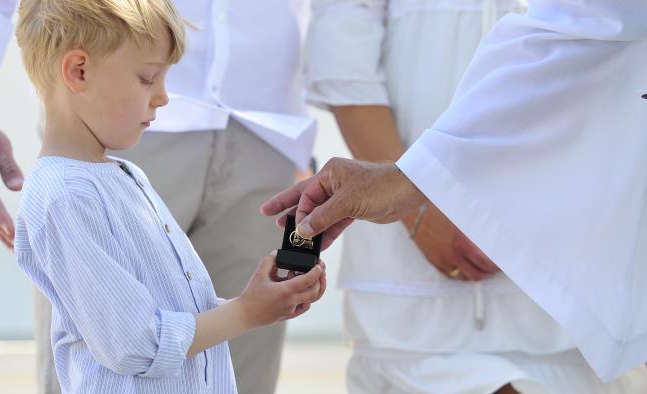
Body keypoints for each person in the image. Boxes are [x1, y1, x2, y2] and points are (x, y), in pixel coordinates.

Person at [263, 0, 647, 385]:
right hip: (411, 282)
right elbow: (343, 51)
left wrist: (428, 186)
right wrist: (419, 208)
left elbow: (596, 34)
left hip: (561, 265)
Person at [0, 1, 314, 392]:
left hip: (265, 127)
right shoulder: (65, 199)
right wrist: (243, 313)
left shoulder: (126, 175)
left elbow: (168, 313)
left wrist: (260, 304)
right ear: (79, 71)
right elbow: (136, 344)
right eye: (147, 78)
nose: (163, 98)